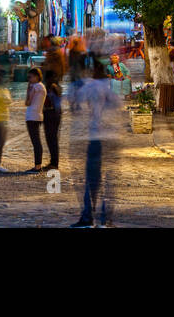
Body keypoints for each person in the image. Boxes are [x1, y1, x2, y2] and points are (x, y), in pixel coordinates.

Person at [71, 59, 123, 228]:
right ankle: (104, 218)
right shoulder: (107, 89)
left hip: (94, 138)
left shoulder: (88, 87)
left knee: (90, 180)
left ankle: (88, 216)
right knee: (107, 180)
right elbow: (118, 105)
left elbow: (74, 102)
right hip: (109, 138)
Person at [24, 67, 46, 173]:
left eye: (30, 77)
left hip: (32, 116)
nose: (29, 79)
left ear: (37, 77)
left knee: (36, 142)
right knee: (37, 142)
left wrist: (28, 89)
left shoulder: (35, 87)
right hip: (38, 115)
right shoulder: (41, 86)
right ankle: (38, 165)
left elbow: (27, 102)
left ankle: (37, 166)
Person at [43, 71, 63, 170]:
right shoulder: (56, 87)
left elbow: (53, 103)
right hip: (54, 115)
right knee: (52, 140)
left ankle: (54, 163)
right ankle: (54, 162)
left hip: (51, 115)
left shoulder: (52, 88)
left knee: (52, 140)